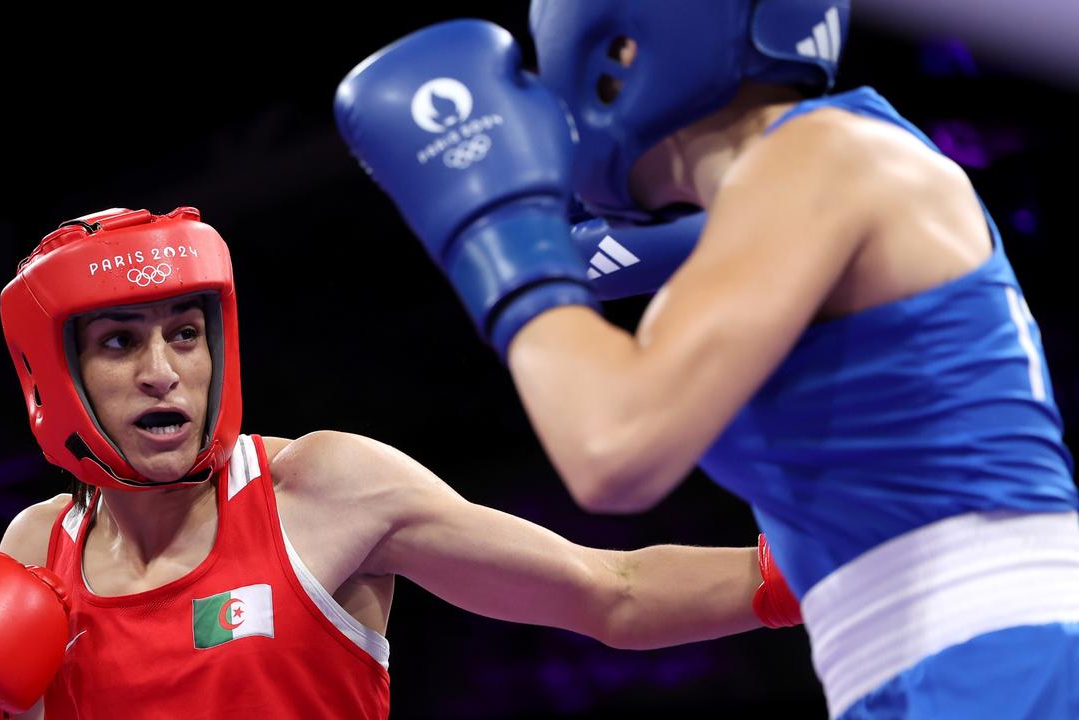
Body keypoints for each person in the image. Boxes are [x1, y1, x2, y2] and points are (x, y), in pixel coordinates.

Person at [333, 2, 1079, 718]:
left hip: (1001, 649)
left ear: (620, 45)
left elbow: (611, 447)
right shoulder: (818, 178)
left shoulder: (822, 155)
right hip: (917, 664)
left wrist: (499, 227)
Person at [0, 206, 801, 719]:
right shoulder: (34, 551)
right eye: (119, 342)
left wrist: (814, 571)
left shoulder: (319, 490)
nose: (164, 371)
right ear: (55, 374)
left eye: (184, 334)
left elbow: (613, 591)